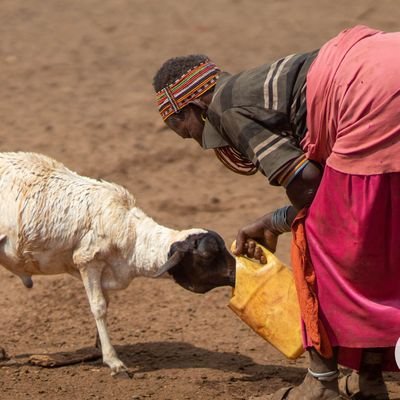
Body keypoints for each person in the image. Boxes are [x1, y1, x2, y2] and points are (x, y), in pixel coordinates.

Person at [152, 25, 400, 400]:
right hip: (382, 60)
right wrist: (273, 220)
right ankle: (368, 377)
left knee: (318, 245)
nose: (196, 142)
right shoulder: (254, 88)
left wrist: (277, 222)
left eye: (184, 129)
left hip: (369, 95)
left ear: (195, 107)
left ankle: (320, 382)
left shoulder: (224, 107)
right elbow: (322, 190)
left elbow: (309, 186)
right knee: (378, 234)